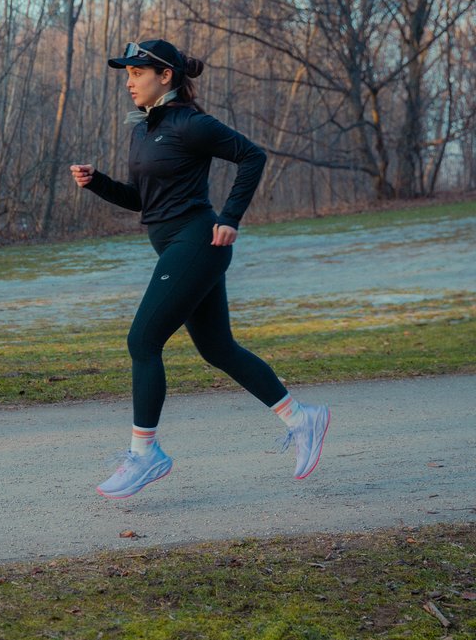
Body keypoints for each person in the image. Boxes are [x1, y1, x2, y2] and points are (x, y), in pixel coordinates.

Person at [71, 39, 330, 499]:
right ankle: (300, 417)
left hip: (198, 241)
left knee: (143, 340)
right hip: (175, 243)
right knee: (216, 347)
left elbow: (253, 156)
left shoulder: (192, 124)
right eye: (126, 75)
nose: (128, 82)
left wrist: (230, 218)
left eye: (136, 73)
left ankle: (145, 453)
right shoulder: (143, 130)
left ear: (165, 76)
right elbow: (142, 202)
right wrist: (99, 184)